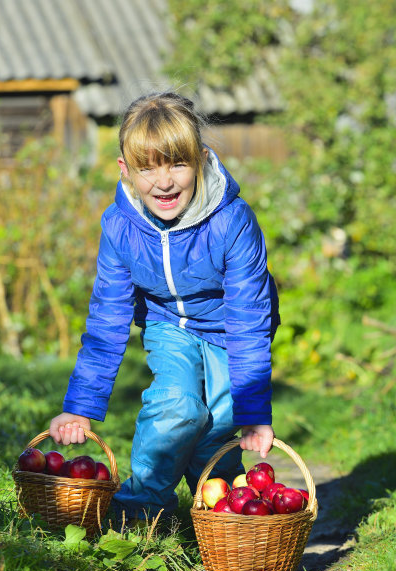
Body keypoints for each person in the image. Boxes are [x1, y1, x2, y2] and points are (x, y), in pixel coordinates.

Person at [49, 91, 280, 520]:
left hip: (232, 330)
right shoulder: (120, 227)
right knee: (178, 405)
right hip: (168, 323)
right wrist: (80, 405)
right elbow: (108, 317)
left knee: (220, 423)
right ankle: (140, 508)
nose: (164, 181)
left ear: (201, 159)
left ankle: (217, 509)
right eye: (147, 167)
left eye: (177, 163)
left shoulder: (232, 221)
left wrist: (255, 414)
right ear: (125, 169)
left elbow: (249, 317)